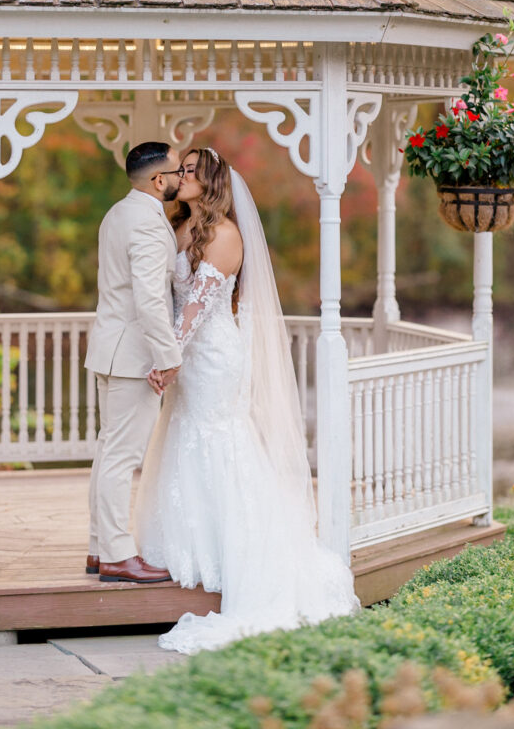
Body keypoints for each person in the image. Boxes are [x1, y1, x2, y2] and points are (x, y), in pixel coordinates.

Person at [135, 147, 358, 652]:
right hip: (186, 355)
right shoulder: (180, 229)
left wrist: (166, 358)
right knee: (186, 435)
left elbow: (196, 308)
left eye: (191, 172)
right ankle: (192, 545)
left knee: (217, 438)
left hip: (211, 354)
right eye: (180, 171)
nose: (182, 177)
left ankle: (242, 553)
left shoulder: (226, 235)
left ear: (212, 182)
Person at [84, 141, 184, 583]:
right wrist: (168, 357)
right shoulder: (145, 222)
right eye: (178, 172)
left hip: (111, 347)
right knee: (120, 458)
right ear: (158, 180)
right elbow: (148, 298)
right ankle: (118, 555)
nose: (182, 178)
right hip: (132, 356)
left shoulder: (116, 213)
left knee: (108, 452)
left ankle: (98, 548)